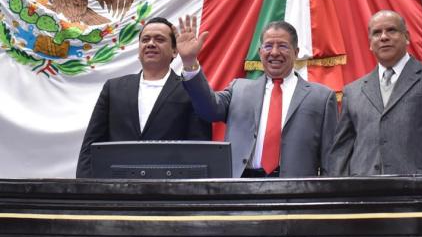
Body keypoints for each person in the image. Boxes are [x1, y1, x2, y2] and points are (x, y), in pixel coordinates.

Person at [177, 15, 338, 178]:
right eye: (268, 46)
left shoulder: (321, 97)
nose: (274, 52)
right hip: (242, 185)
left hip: (296, 187)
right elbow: (208, 110)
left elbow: (331, 159)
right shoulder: (238, 89)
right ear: (260, 52)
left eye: (282, 46)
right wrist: (190, 63)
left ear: (296, 52)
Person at [329, 10, 422, 176]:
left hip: (418, 189)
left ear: (407, 37)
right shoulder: (352, 91)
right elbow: (341, 152)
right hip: (364, 189)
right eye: (377, 33)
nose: (384, 37)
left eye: (391, 30)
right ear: (370, 43)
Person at [76, 17, 212, 178]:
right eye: (145, 39)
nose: (151, 44)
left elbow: (200, 150)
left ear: (175, 51)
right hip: (116, 187)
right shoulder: (113, 88)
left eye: (159, 39)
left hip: (170, 187)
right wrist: (84, 188)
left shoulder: (190, 90)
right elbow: (91, 146)